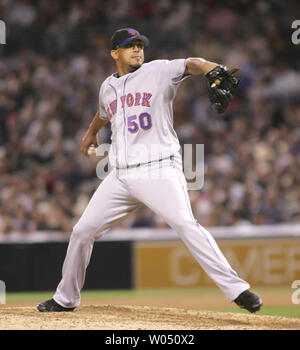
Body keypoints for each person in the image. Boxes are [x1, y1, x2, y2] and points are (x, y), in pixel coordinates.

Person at [37, 28, 262, 313]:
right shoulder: (107, 86)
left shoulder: (158, 70)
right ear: (114, 53)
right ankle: (65, 298)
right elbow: (104, 112)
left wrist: (211, 67)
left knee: (184, 223)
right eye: (129, 46)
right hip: (119, 174)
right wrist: (90, 133)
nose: (137, 50)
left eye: (140, 45)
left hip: (158, 168)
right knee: (82, 231)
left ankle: (238, 290)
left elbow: (191, 63)